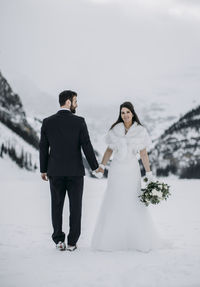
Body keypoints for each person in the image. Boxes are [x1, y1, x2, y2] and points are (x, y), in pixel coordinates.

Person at [90, 101, 164, 252]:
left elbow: (143, 154)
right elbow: (109, 151)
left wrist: (148, 173)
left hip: (132, 170)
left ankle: (137, 239)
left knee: (133, 200)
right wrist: (102, 167)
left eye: (127, 112)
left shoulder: (140, 131)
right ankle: (111, 240)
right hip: (116, 169)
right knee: (114, 199)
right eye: (122, 112)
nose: (125, 115)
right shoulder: (115, 130)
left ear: (132, 113)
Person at [39, 90, 99, 251]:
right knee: (76, 207)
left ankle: (59, 240)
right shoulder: (79, 122)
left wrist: (43, 169)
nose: (76, 104)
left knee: (56, 206)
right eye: (75, 101)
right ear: (67, 102)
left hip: (55, 172)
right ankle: (72, 242)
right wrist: (95, 166)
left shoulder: (47, 122)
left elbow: (43, 148)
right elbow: (86, 145)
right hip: (75, 173)